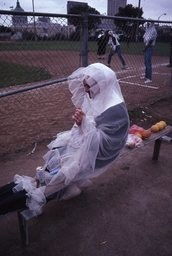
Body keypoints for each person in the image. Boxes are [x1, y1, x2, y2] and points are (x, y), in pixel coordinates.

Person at [0, 63, 130, 216]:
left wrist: (84, 123)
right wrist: (81, 123)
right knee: (54, 160)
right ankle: (52, 185)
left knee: (60, 175)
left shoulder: (116, 109)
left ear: (103, 85)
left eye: (89, 87)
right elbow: (84, 127)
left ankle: (41, 193)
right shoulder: (97, 95)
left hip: (97, 155)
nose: (86, 90)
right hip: (83, 143)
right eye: (85, 86)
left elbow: (108, 144)